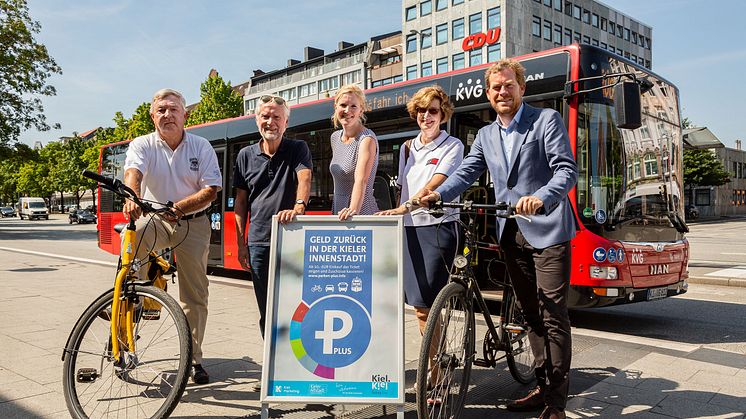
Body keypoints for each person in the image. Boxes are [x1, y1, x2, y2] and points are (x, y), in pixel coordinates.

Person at [416, 59, 578, 419]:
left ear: (521, 87)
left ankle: (556, 404)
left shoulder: (545, 121)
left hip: (547, 227)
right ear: (488, 95)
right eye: (495, 88)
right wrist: (439, 195)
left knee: (552, 314)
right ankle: (541, 386)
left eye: (508, 85)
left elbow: (566, 169)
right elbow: (467, 171)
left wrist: (543, 197)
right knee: (531, 314)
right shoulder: (487, 135)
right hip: (510, 230)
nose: (502, 92)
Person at [123, 88, 222, 385]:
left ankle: (194, 360)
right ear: (153, 117)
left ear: (184, 115)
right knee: (132, 244)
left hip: (192, 221)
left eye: (173, 109)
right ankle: (128, 316)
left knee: (195, 294)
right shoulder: (142, 144)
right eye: (161, 110)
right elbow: (134, 173)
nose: (167, 115)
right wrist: (133, 197)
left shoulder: (201, 146)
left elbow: (210, 190)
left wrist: (178, 208)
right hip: (155, 218)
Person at [375, 85, 463, 390]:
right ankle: (437, 361)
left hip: (438, 227)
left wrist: (405, 207)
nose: (427, 116)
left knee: (430, 301)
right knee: (418, 305)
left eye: (434, 110)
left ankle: (437, 371)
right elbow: (405, 188)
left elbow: (435, 183)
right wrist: (401, 211)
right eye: (422, 111)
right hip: (409, 227)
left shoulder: (452, 145)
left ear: (443, 114)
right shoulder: (407, 148)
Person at [233, 94, 312, 389]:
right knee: (267, 309)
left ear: (286, 122)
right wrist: (241, 243)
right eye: (266, 116)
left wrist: (300, 206)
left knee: (296, 305)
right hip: (259, 242)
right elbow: (241, 201)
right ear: (257, 120)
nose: (271, 122)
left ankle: (300, 363)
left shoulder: (297, 148)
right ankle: (273, 364)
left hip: (292, 239)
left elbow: (304, 178)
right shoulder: (244, 156)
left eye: (277, 117)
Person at [329, 84, 379, 220]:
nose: (347, 110)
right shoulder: (335, 138)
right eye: (343, 105)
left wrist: (353, 211)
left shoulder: (366, 139)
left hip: (359, 211)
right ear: (336, 107)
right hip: (338, 211)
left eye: (353, 106)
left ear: (361, 110)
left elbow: (361, 180)